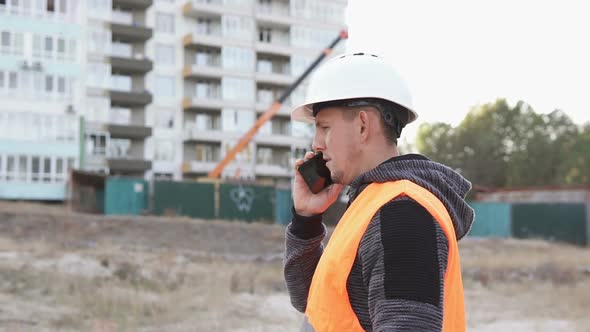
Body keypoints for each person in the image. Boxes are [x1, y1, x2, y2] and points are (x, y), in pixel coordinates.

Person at [284, 52, 475, 332]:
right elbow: (313, 300)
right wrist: (306, 220)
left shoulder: (402, 214)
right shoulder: (373, 202)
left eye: (324, 127)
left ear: (363, 126)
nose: (316, 143)